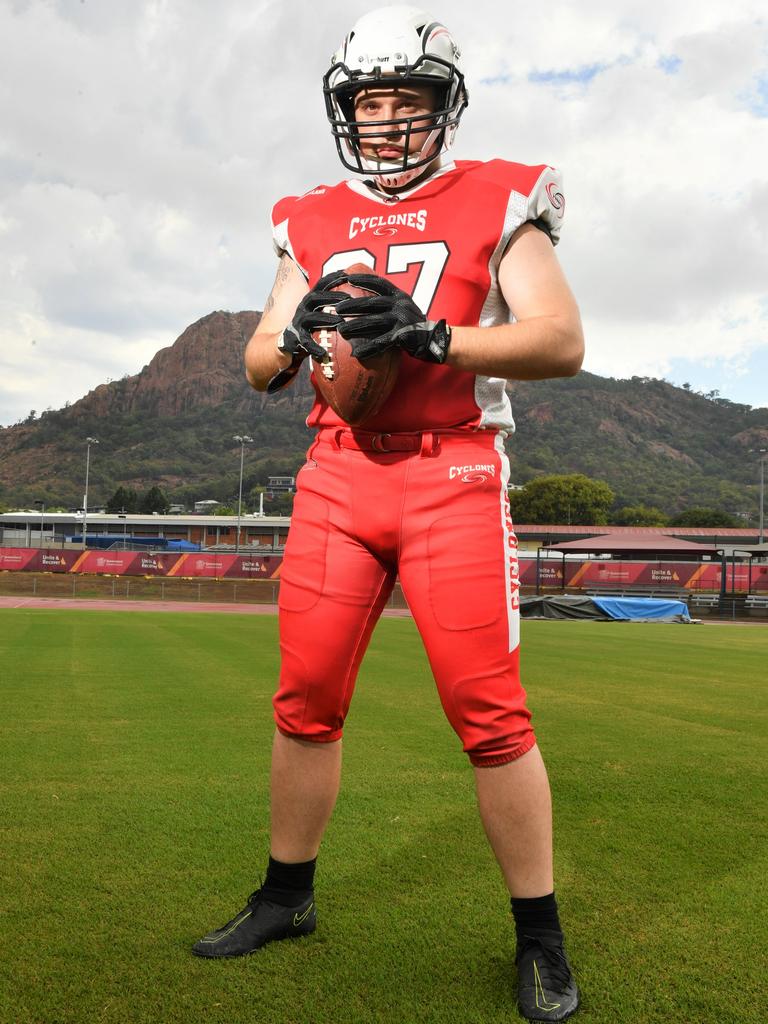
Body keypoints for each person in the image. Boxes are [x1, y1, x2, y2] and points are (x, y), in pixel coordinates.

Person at [193, 6, 584, 1020]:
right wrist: (293, 345)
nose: (388, 117)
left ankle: (540, 934)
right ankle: (288, 894)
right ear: (344, 108)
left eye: (408, 98)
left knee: (490, 713)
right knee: (305, 695)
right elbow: (260, 355)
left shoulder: (499, 197)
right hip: (336, 471)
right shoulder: (310, 217)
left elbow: (559, 337)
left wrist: (434, 337)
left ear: (443, 107)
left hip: (452, 470)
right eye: (371, 98)